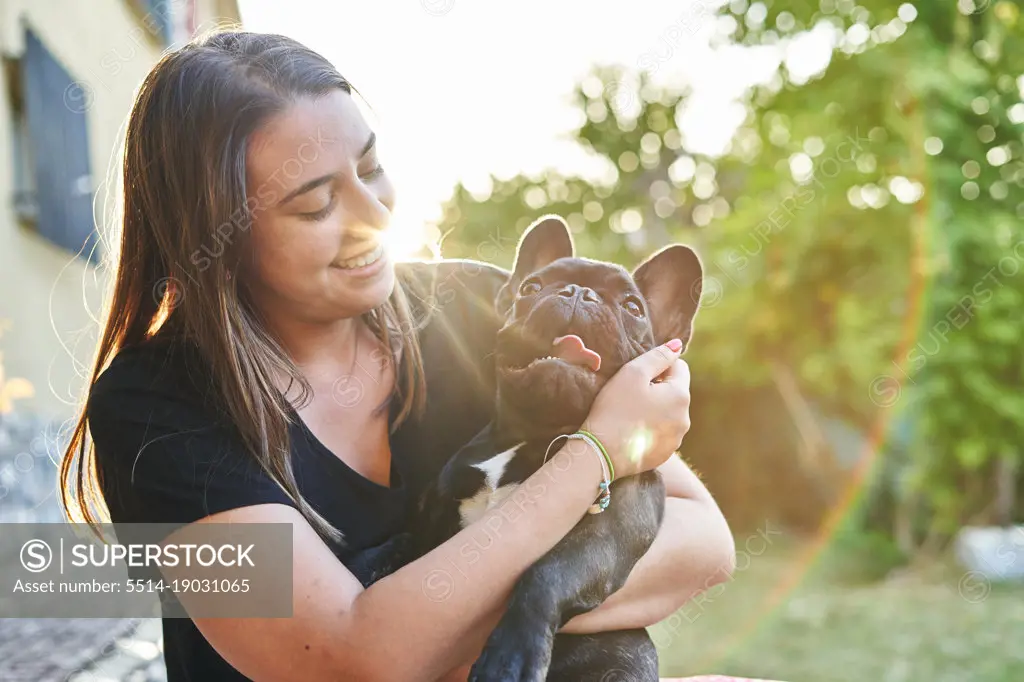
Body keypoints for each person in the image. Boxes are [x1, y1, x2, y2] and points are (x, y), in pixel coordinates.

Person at [59, 28, 735, 682]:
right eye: (317, 203)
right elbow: (350, 661)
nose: (372, 215)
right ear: (218, 235)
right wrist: (594, 454)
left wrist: (527, 611)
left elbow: (703, 540)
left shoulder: (476, 306)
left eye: (371, 168)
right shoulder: (156, 408)